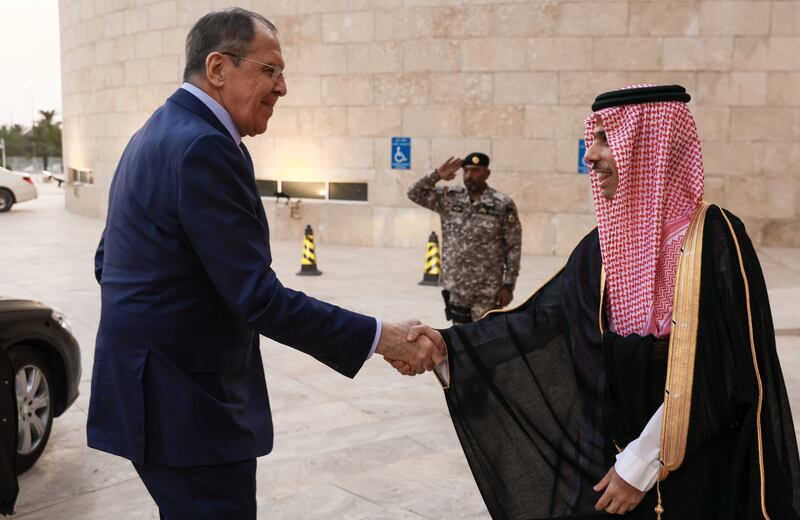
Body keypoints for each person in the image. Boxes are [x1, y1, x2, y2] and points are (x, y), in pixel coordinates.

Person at [87, 9, 442, 520]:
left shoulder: (152, 135)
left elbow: (109, 261)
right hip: (189, 410)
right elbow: (256, 296)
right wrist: (382, 337)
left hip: (149, 398)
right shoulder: (204, 147)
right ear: (217, 68)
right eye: (269, 70)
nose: (282, 88)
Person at [400, 85, 800, 519]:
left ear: (650, 144)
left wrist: (641, 464)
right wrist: (446, 345)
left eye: (605, 139)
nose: (590, 155)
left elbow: (724, 369)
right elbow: (542, 321)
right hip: (612, 459)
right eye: (592, 140)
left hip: (697, 470)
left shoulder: (717, 240)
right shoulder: (601, 247)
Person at [407, 153, 522, 323]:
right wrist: (436, 175)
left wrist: (508, 285)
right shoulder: (449, 198)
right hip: (456, 287)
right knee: (459, 337)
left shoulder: (502, 205)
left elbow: (513, 247)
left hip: (487, 290)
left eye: (475, 170)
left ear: (487, 173)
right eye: (466, 171)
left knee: (484, 339)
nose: (469, 175)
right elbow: (414, 193)